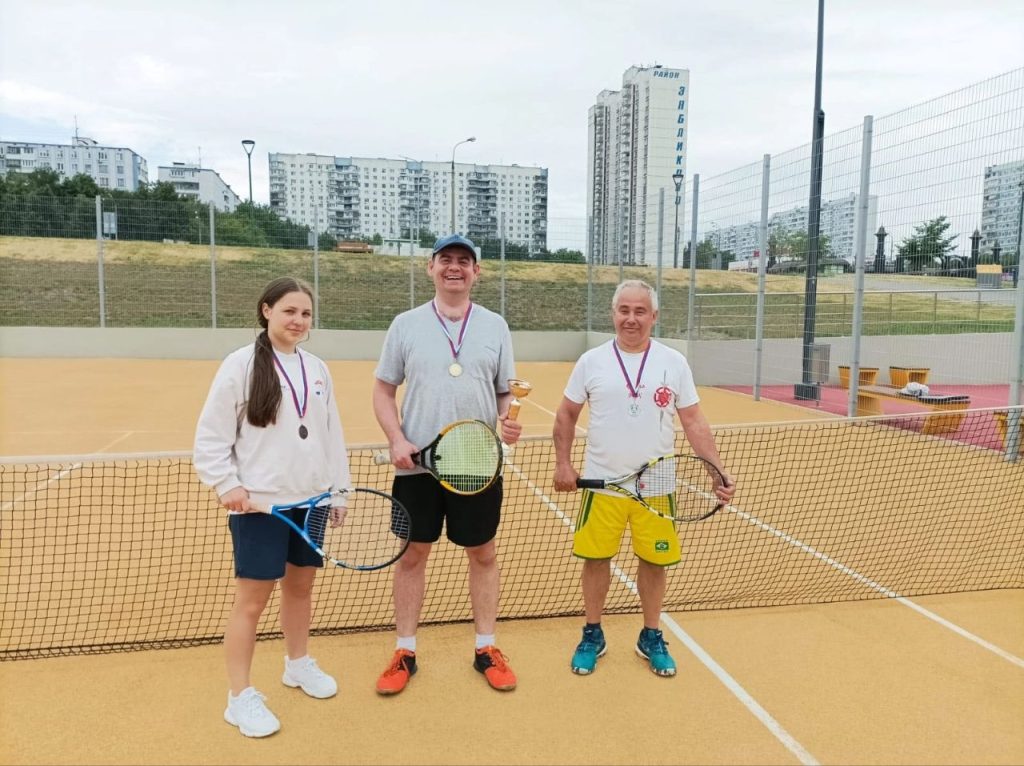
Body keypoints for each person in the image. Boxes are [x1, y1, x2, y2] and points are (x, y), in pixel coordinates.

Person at [552, 279, 735, 677]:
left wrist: (716, 470)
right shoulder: (591, 361)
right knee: (596, 558)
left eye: (639, 311)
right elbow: (566, 414)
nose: (630, 319)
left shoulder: (673, 362)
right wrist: (563, 464)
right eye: (624, 310)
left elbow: (693, 421)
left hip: (656, 484)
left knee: (654, 562)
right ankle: (592, 633)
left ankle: (650, 635)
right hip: (602, 481)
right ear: (613, 314)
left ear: (654, 316)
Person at [193, 276, 350, 737]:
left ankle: (297, 664)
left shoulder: (318, 368)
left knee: (301, 590)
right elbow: (210, 437)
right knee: (251, 603)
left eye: (305, 313)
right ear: (266, 311)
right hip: (259, 507)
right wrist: (227, 485)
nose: (299, 321)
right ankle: (239, 698)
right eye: (289, 311)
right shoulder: (240, 365)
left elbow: (331, 434)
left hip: (313, 500)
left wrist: (337, 490)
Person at [372, 233, 522, 695]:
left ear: (477, 272)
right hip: (417, 466)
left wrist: (507, 418)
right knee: (414, 555)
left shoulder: (495, 326)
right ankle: (404, 650)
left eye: (464, 261)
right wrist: (396, 438)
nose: (454, 267)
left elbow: (504, 390)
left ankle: (485, 647)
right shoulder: (405, 324)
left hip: (477, 465)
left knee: (483, 554)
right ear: (430, 268)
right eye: (446, 260)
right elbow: (382, 390)